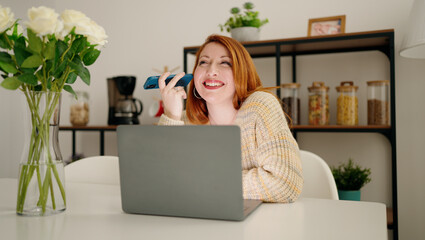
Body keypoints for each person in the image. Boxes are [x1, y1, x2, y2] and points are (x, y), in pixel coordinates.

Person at [157, 34, 303, 203]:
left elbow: (286, 183)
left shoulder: (261, 106)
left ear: (242, 72)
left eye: (225, 63)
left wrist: (204, 183)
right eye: (203, 62)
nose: (211, 71)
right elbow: (162, 180)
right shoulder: (184, 120)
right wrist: (171, 115)